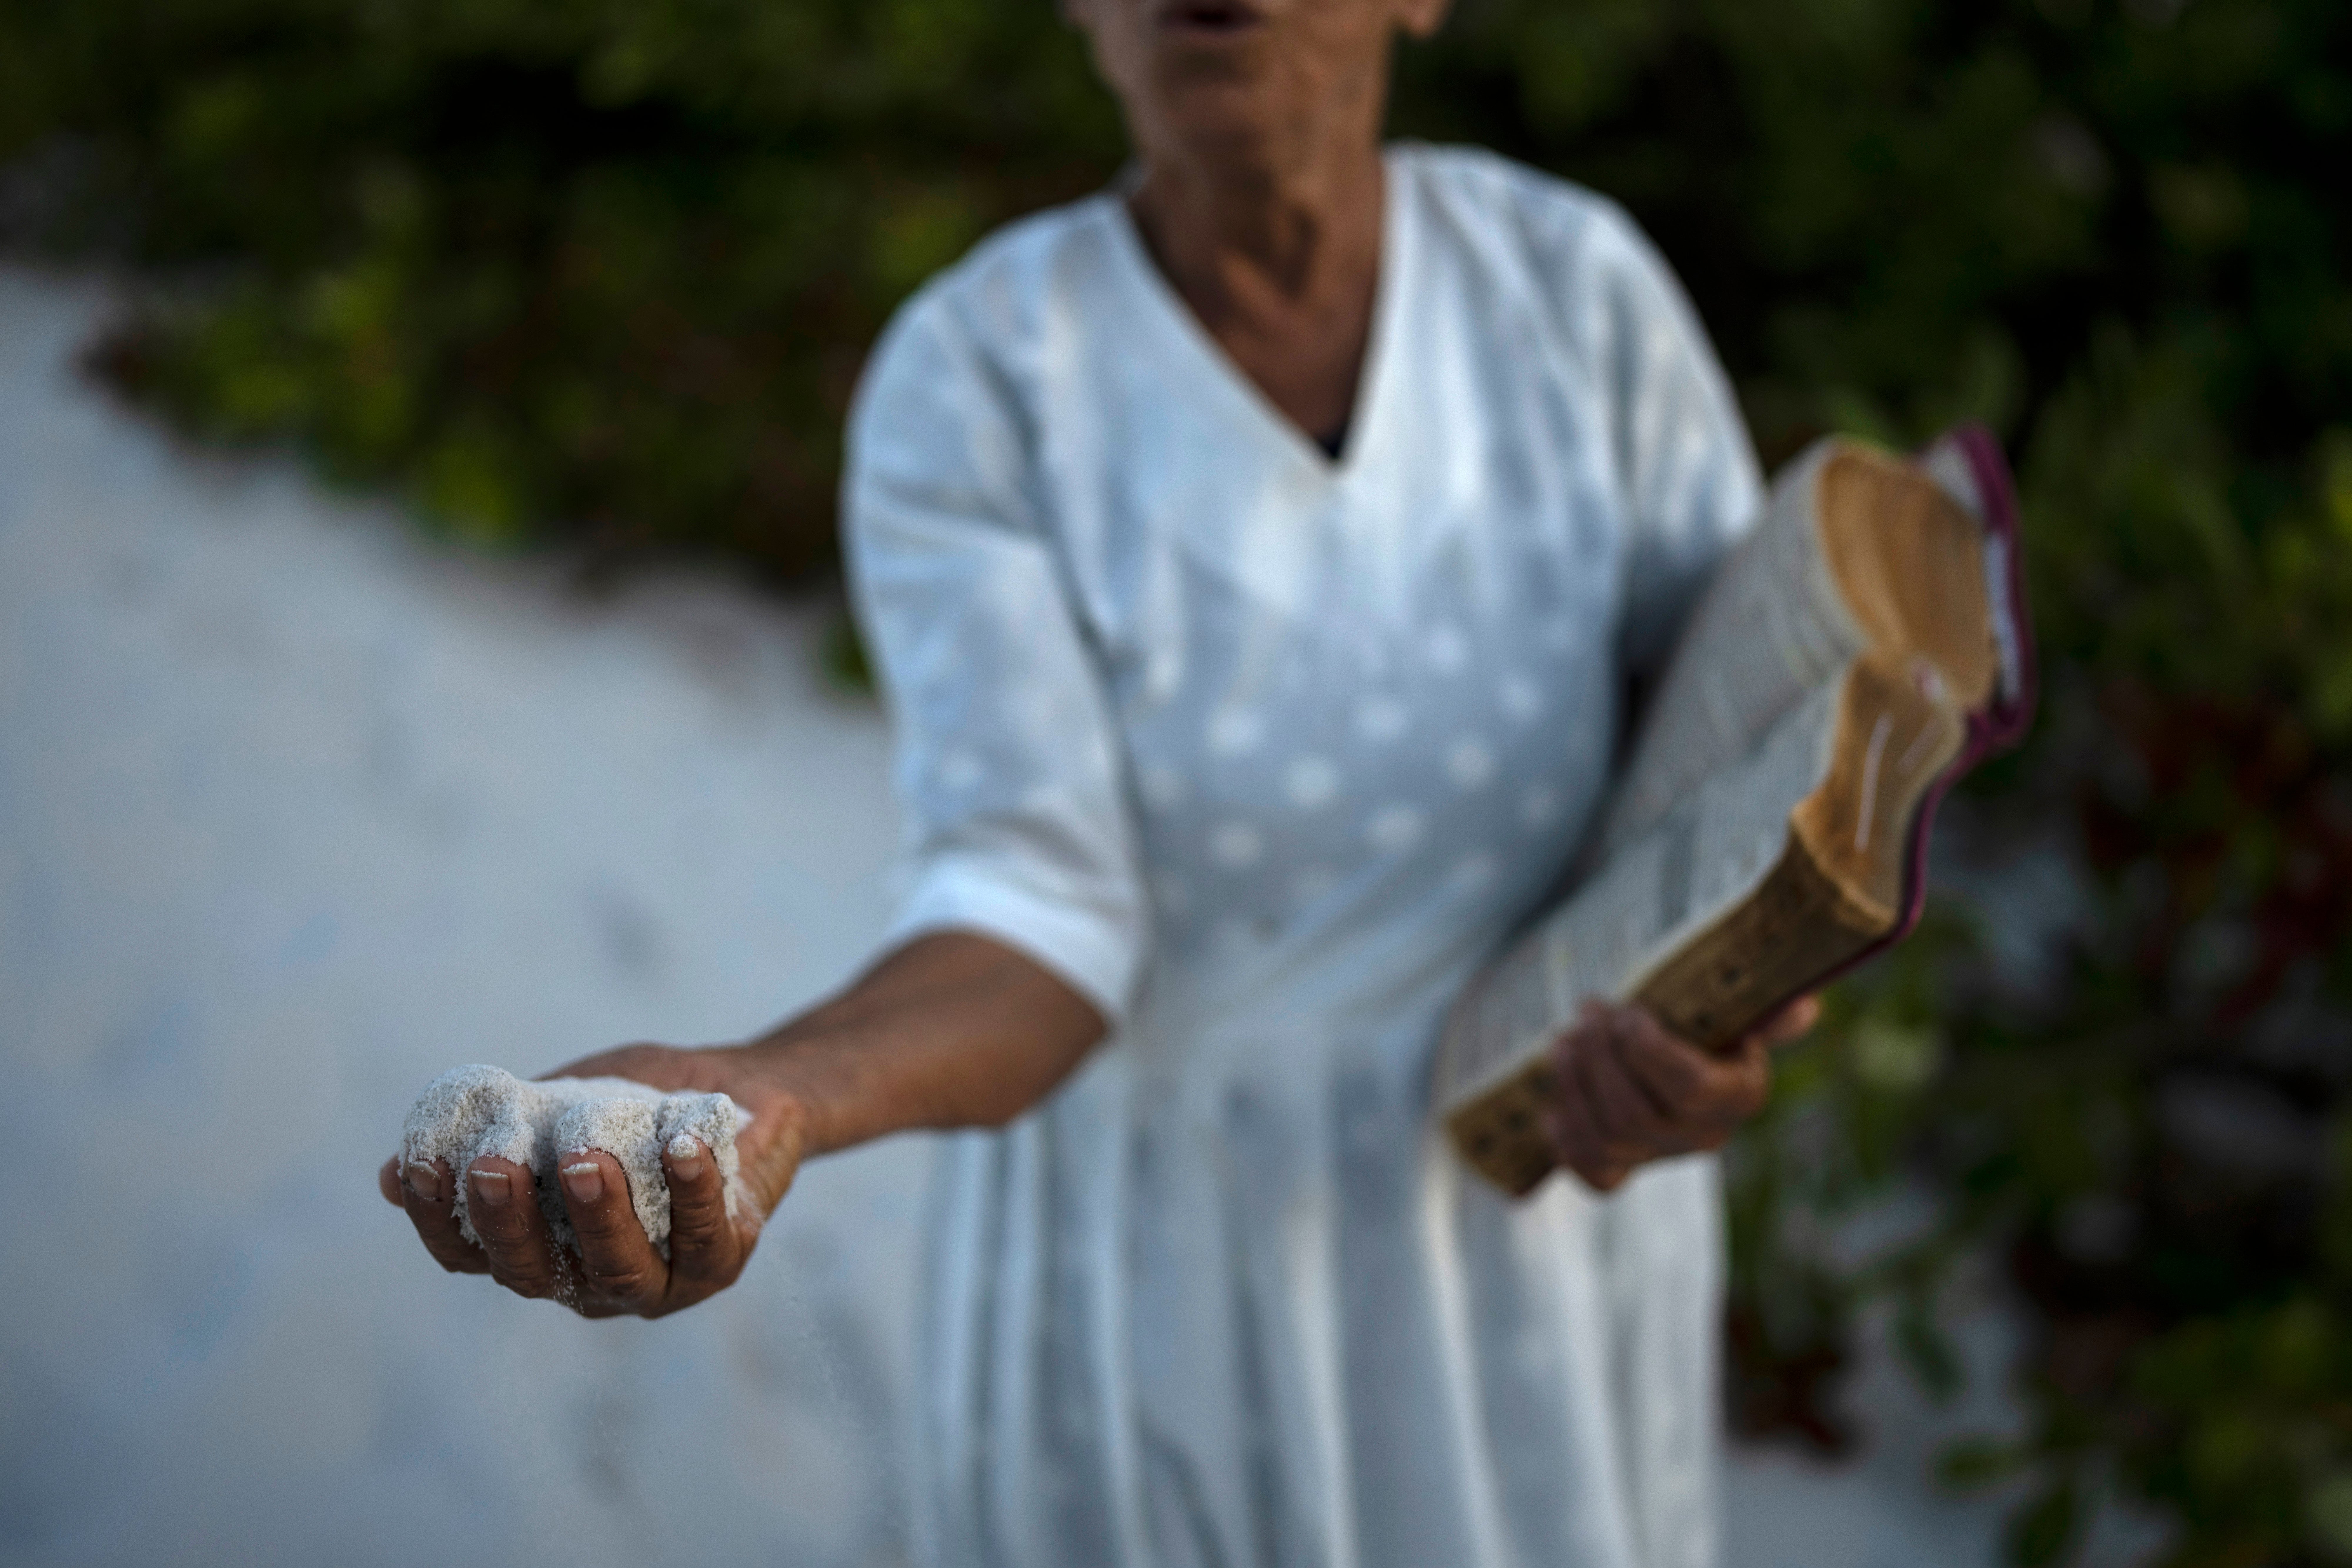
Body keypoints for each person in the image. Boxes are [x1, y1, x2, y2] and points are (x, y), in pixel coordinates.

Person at [379, 1, 1818, 1562]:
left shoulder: (1576, 292)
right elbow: (1036, 908)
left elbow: (1713, 777)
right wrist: (775, 1087)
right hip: (1165, 1290)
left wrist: (1716, 1024)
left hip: (1527, 1260)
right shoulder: (986, 373)